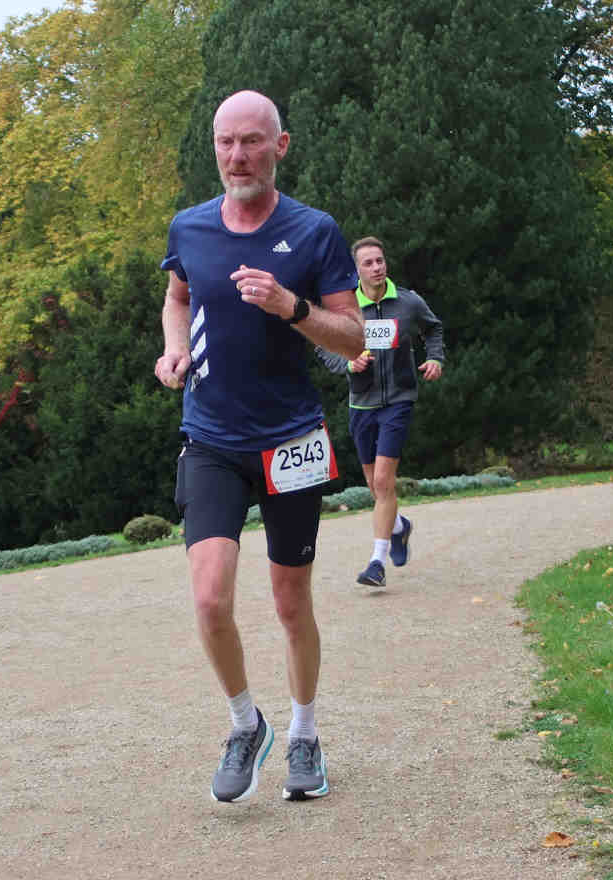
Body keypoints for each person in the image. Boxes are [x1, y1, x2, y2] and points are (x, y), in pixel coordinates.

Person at [154, 89, 365, 804]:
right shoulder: (190, 227)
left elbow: (353, 335)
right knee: (210, 600)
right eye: (225, 142)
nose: (236, 155)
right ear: (213, 147)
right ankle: (246, 724)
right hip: (211, 436)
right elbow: (178, 296)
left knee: (289, 602)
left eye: (251, 141)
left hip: (291, 440)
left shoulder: (315, 232)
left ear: (281, 145)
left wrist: (292, 307)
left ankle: (304, 733)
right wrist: (173, 350)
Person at [318, 236, 445, 588]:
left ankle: (376, 562)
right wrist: (348, 361)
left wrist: (435, 357)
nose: (377, 267)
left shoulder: (407, 302)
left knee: (383, 482)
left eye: (380, 260)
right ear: (356, 271)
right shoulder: (346, 311)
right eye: (368, 263)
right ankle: (400, 527)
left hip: (398, 401)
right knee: (377, 489)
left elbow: (433, 328)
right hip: (362, 405)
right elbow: (323, 344)